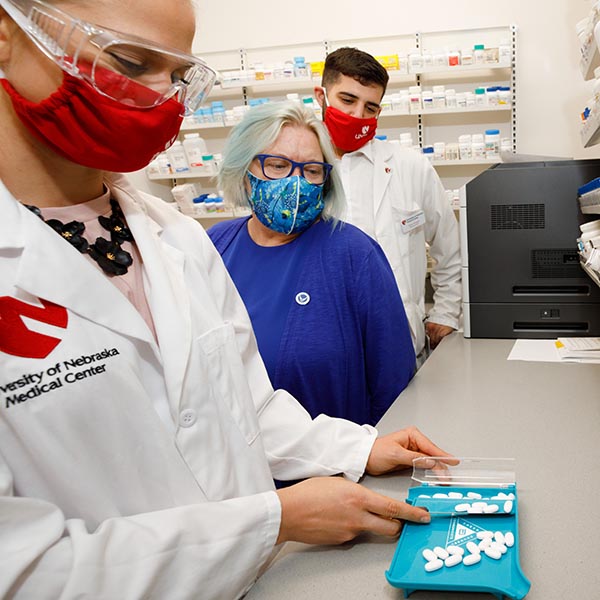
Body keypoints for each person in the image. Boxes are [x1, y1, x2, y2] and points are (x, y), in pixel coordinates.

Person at [0, 1, 454, 598]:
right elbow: (22, 572)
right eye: (131, 61)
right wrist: (275, 520)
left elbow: (246, 407)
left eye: (178, 75)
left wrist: (361, 446)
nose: (162, 97)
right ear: (8, 34)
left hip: (262, 580)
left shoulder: (178, 240)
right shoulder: (213, 239)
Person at [208, 101, 416, 427]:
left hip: (334, 468)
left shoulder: (355, 254)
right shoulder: (215, 247)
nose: (296, 182)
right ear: (243, 172)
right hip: (239, 465)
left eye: (312, 170)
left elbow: (395, 385)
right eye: (277, 165)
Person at [314, 47, 462, 359]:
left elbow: (448, 246)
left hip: (401, 336)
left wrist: (446, 313)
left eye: (371, 107)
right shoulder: (303, 169)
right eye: (347, 100)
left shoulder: (411, 167)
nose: (358, 116)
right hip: (327, 335)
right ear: (321, 96)